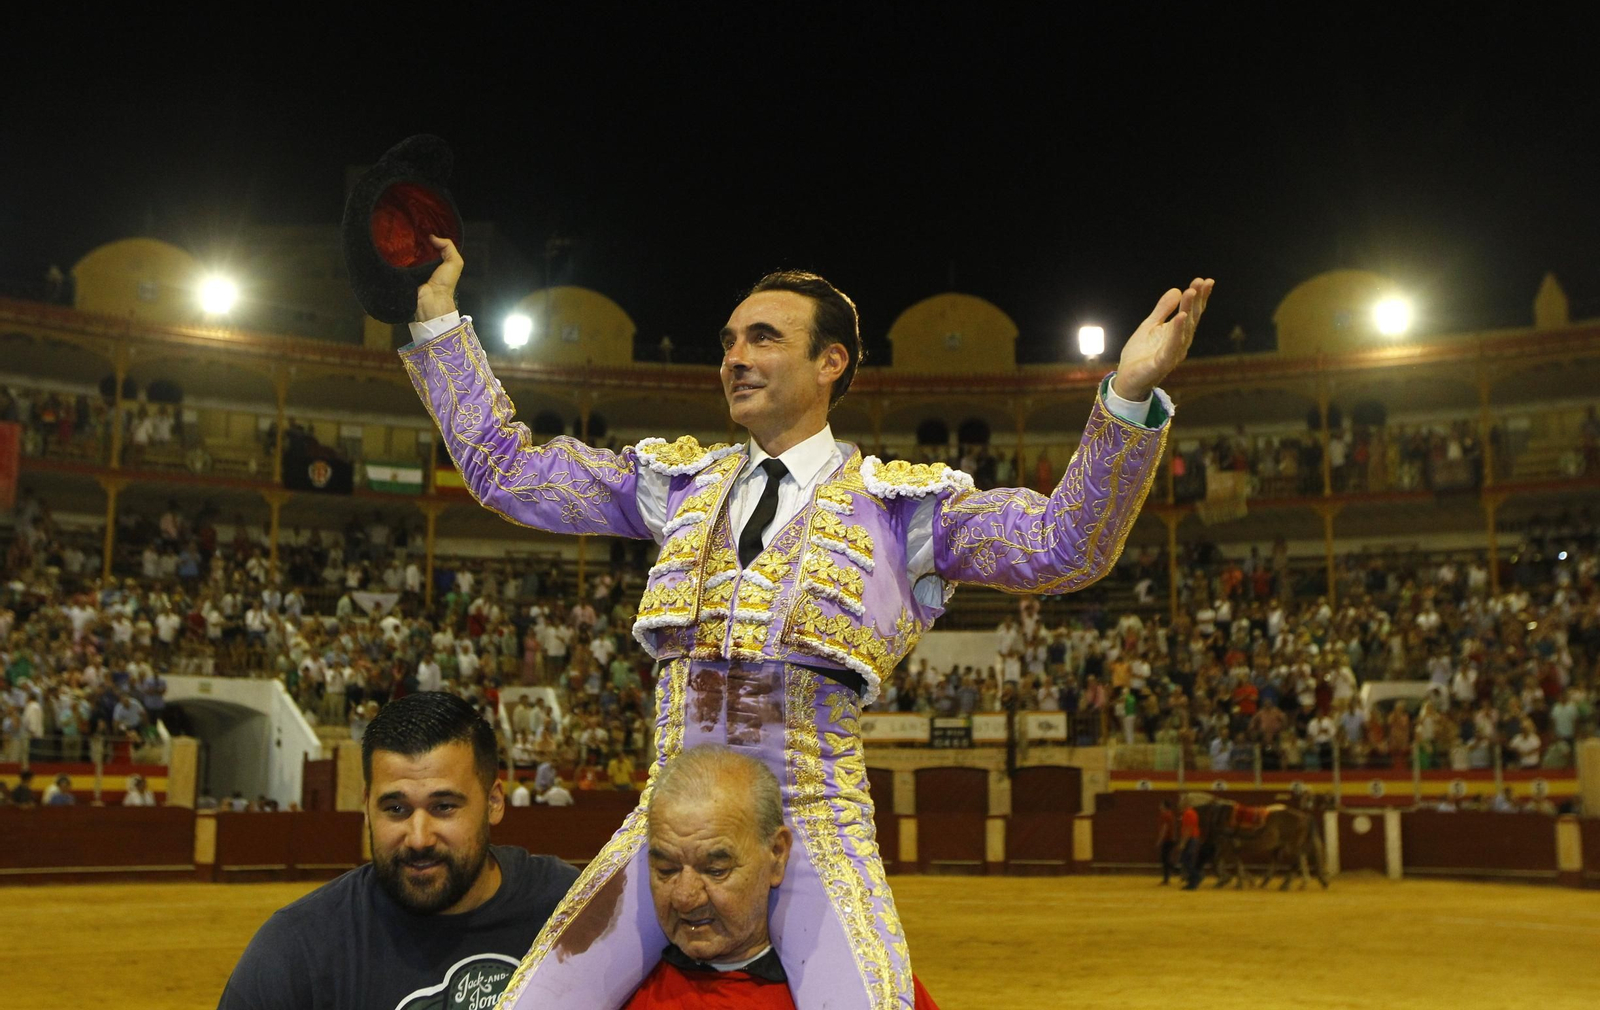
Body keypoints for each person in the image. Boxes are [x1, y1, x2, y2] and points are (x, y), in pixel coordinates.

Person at [403, 239, 1209, 1009]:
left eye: (763, 337)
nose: (734, 356)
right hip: (669, 821)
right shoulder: (679, 485)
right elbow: (506, 471)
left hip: (811, 825)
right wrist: (439, 317)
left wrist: (1129, 396)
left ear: (832, 363)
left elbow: (1063, 546)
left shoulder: (904, 509)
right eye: (727, 340)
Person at [216, 693, 579, 1009]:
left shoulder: (575, 910)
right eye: (396, 809)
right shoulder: (296, 950)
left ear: (494, 802)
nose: (418, 838)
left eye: (444, 806)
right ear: (366, 807)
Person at [625, 745, 937, 1009]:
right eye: (666, 870)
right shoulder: (613, 990)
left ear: (777, 854)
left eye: (716, 870)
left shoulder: (871, 988)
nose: (684, 897)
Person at [1176, 800, 1203, 890]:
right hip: (1192, 838)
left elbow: (1188, 828)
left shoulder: (1188, 813)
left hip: (1191, 839)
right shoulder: (1192, 812)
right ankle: (1192, 882)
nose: (1178, 804)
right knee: (1188, 860)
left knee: (1186, 860)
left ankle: (1196, 877)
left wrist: (1183, 842)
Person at [1155, 798, 1177, 885]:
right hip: (1170, 839)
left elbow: (1165, 828)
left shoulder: (1166, 815)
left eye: (1161, 805)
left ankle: (1174, 872)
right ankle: (1170, 874)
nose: (1159, 806)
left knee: (1165, 859)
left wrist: (1159, 840)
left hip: (1168, 839)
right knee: (1166, 859)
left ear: (1164, 806)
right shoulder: (1169, 814)